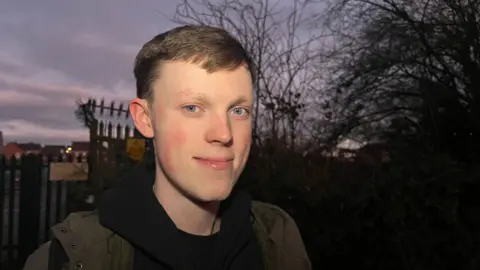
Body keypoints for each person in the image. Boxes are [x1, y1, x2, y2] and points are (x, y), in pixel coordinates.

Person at [23, 25, 311, 270]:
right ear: (146, 120)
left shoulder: (278, 240)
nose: (224, 134)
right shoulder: (71, 259)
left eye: (238, 111)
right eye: (193, 107)